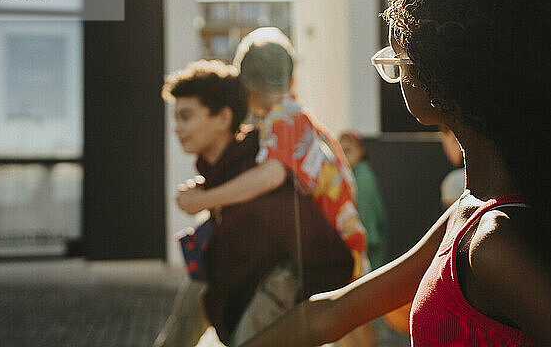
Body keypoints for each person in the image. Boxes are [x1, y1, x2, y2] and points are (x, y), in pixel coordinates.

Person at [239, 0, 551, 345]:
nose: (395, 72)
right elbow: (330, 312)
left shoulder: (494, 241)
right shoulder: (469, 214)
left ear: (446, 74)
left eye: (400, 60)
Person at [161, 60, 354, 346]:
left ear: (224, 119)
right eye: (175, 118)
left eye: (186, 116)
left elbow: (324, 252)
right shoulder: (224, 172)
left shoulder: (255, 172)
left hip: (279, 289)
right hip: (243, 288)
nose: (177, 128)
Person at [176, 28, 370, 279]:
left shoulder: (283, 117)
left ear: (247, 89)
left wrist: (205, 200)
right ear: (291, 80)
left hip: (337, 255)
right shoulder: (294, 116)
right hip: (341, 247)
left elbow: (271, 176)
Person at [339, 131, 387, 270]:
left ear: (361, 151)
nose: (344, 156)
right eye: (340, 151)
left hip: (368, 252)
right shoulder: (352, 174)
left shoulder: (363, 178)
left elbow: (367, 225)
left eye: (348, 150)